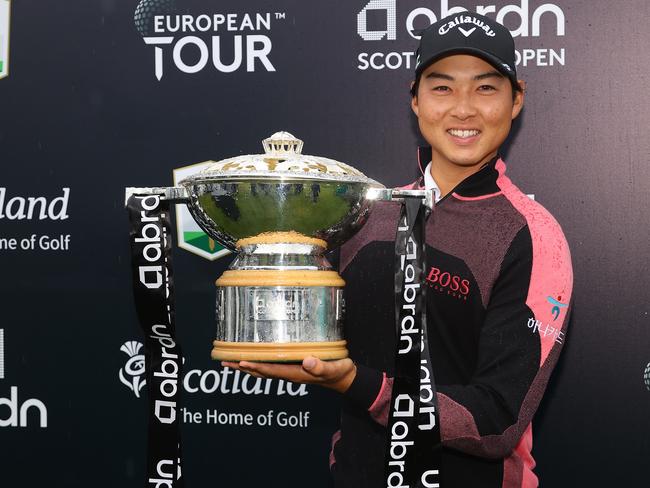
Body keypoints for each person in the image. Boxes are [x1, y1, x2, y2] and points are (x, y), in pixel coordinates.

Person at [223, 13, 573, 488]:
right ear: (415, 98)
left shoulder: (533, 235)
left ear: (517, 100)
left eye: (486, 88)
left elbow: (496, 419)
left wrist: (358, 385)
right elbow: (327, 341)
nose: (463, 109)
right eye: (442, 87)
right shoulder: (367, 216)